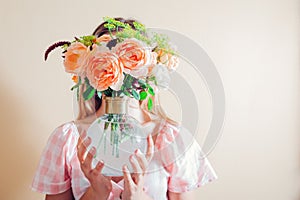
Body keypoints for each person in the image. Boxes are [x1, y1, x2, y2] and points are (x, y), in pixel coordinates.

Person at [32, 17, 218, 200]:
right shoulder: (67, 139)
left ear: (148, 71)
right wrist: (95, 194)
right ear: (92, 71)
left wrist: (138, 196)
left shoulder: (174, 139)